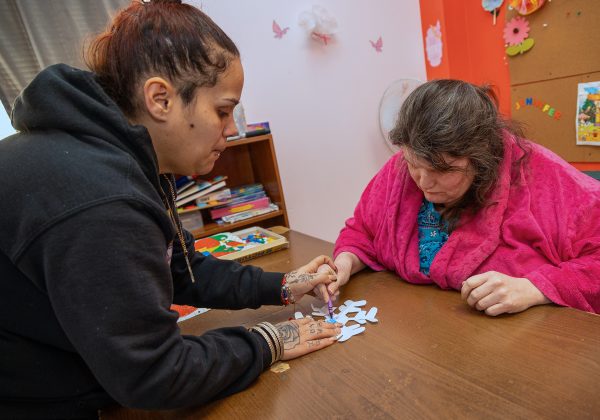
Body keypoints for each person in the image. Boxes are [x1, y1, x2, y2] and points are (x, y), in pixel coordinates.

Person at [0, 1, 341, 418]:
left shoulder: (118, 156)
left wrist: (282, 285)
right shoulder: (102, 198)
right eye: (222, 111)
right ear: (160, 99)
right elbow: (153, 374)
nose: (231, 131)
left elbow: (179, 269)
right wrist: (269, 340)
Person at [316, 79, 600, 316]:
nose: (424, 182)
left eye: (441, 169)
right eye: (414, 164)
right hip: (423, 327)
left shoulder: (544, 179)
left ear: (482, 158)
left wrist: (534, 288)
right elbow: (364, 232)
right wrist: (343, 265)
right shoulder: (400, 170)